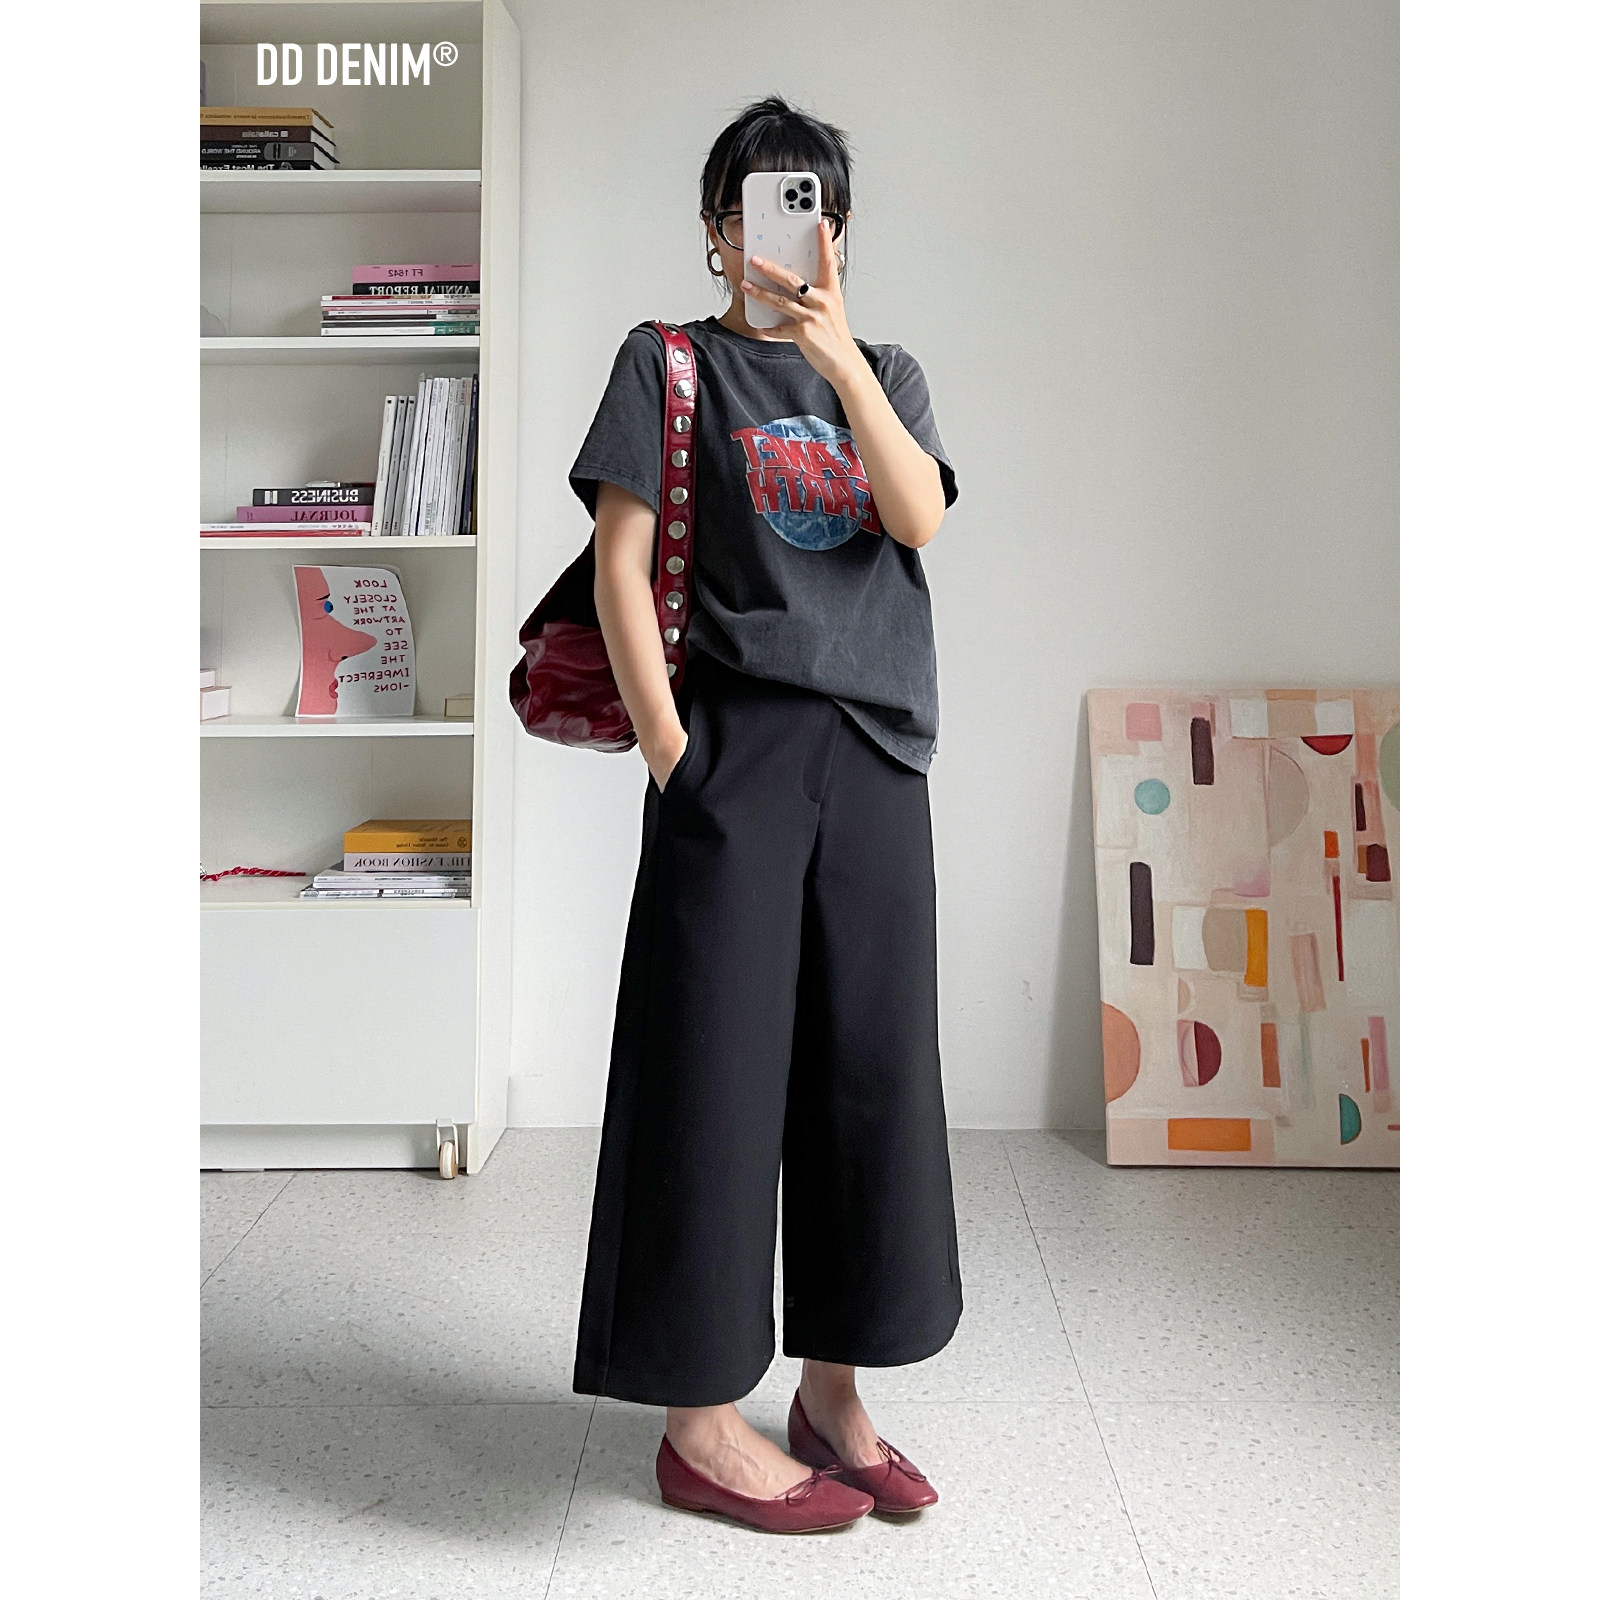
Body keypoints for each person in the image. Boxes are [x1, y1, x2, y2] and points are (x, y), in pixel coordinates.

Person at [568, 94, 964, 1535]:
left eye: (807, 211)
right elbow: (619, 567)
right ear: (715, 230)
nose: (779, 237)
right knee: (711, 1075)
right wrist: (673, 755)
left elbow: (916, 518)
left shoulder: (888, 372)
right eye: (753, 210)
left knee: (869, 1077)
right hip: (730, 753)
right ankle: (697, 1426)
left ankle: (833, 1397)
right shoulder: (666, 365)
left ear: (838, 234)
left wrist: (838, 355)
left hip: (875, 756)